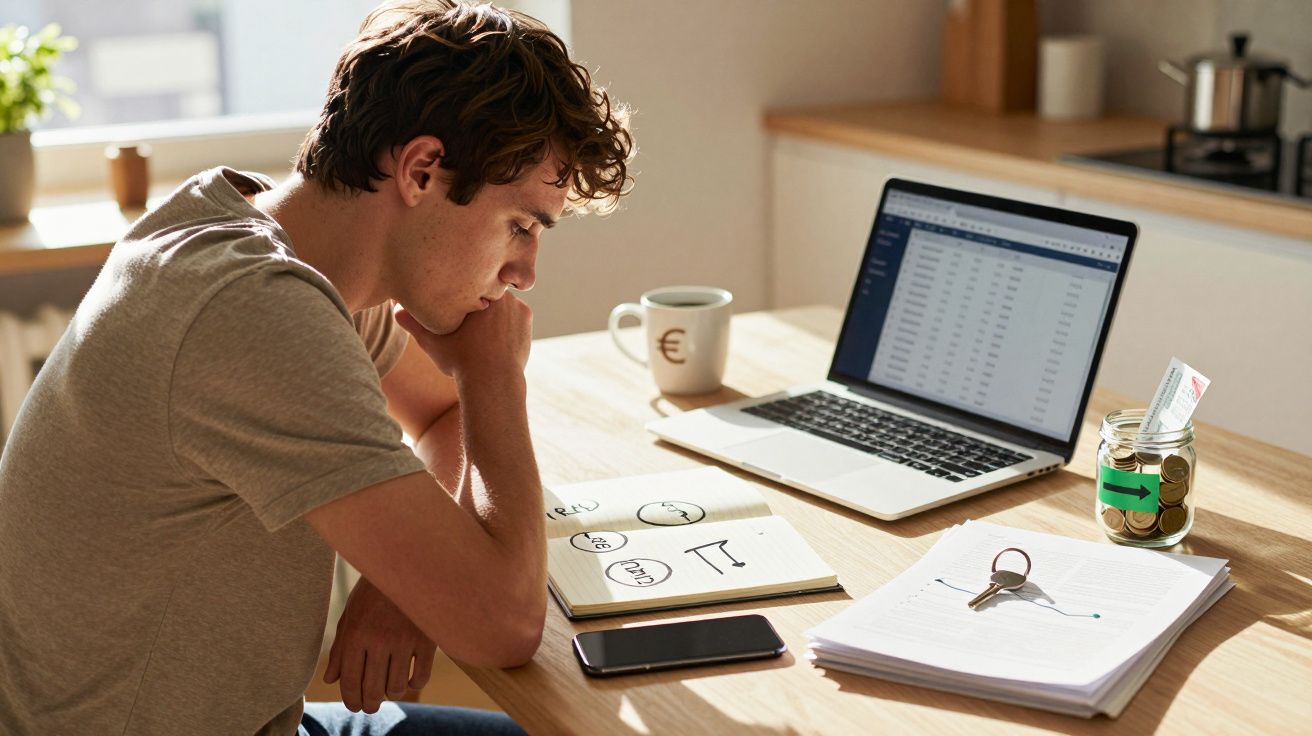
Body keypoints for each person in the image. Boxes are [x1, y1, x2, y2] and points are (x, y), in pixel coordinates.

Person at [0, 1, 633, 733]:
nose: (524, 272)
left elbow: (440, 415)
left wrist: (403, 583)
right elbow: (505, 623)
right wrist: (494, 375)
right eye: (520, 225)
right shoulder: (252, 311)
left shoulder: (273, 238)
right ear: (423, 170)